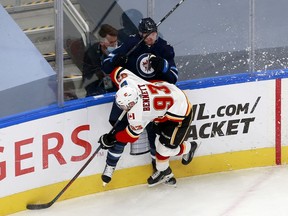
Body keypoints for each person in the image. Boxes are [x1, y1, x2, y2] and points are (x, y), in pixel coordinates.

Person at [100, 17, 179, 186]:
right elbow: (106, 66)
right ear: (140, 33)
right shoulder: (131, 43)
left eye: (153, 34)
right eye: (146, 34)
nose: (150, 38)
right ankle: (110, 166)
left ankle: (159, 169)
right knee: (119, 132)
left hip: (152, 98)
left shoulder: (164, 48)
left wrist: (164, 67)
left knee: (155, 136)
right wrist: (116, 60)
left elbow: (174, 78)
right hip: (131, 95)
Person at [98, 67, 197, 187]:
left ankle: (189, 147)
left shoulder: (139, 114)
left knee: (164, 150)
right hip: (168, 92)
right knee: (157, 143)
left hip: (180, 112)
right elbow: (117, 71)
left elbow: (131, 136)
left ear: (131, 104)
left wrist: (113, 138)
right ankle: (164, 171)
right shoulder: (129, 84)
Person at [82, 24, 118, 96]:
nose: (114, 45)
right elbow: (88, 77)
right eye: (111, 43)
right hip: (98, 87)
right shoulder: (91, 53)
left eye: (116, 41)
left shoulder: (121, 48)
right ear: (101, 42)